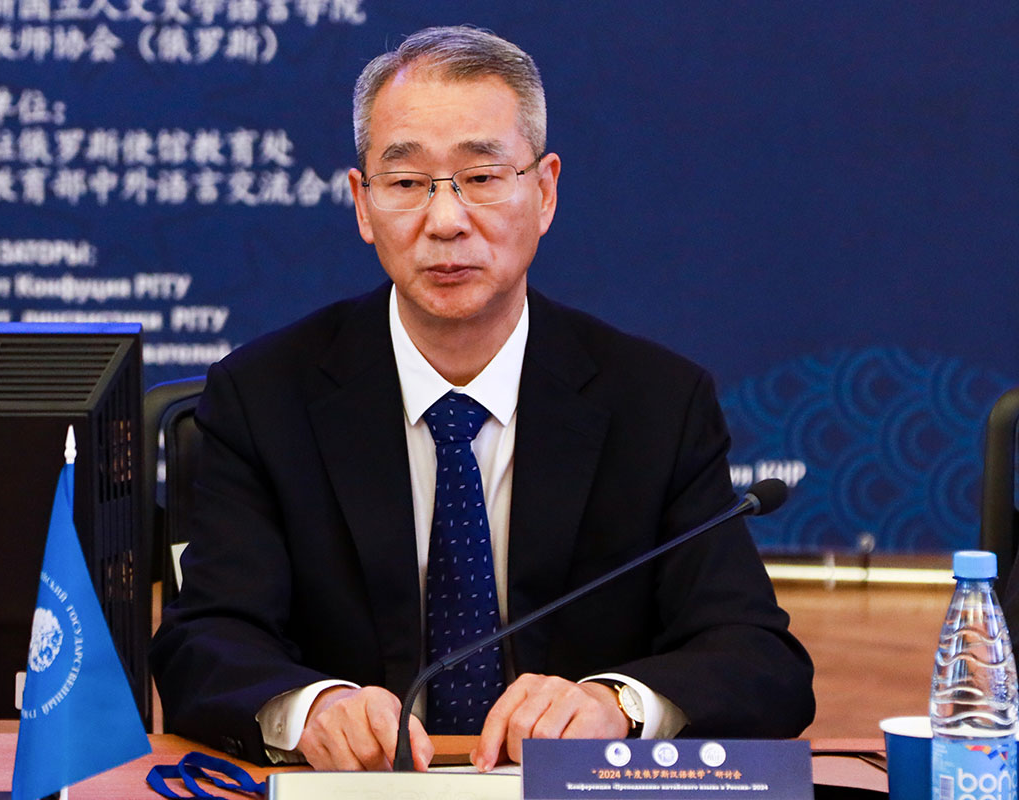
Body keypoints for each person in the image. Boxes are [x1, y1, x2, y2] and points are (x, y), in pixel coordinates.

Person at [150, 25, 814, 773]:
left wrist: (618, 705)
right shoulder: (265, 397)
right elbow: (203, 642)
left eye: (483, 176)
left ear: (545, 191)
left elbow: (758, 657)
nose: (445, 221)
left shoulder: (656, 404)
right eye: (407, 183)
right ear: (363, 204)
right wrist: (315, 708)